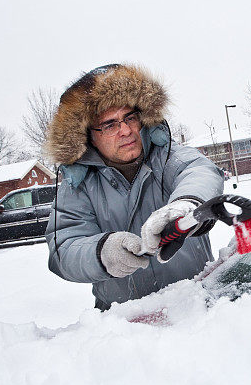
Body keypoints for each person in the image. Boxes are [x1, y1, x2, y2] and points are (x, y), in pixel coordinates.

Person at [44, 63, 224, 311]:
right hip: (127, 328)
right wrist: (101, 254)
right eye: (110, 125)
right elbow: (63, 250)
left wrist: (184, 205)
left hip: (194, 307)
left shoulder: (168, 157)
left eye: (130, 118)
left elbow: (199, 172)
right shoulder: (78, 187)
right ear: (87, 135)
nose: (126, 130)